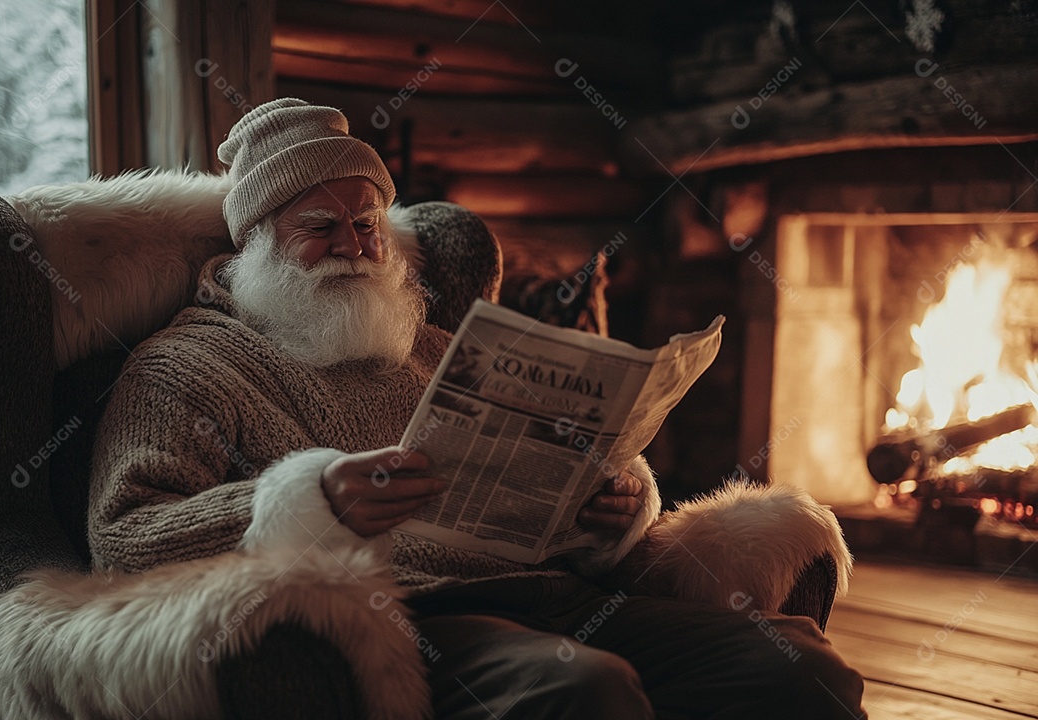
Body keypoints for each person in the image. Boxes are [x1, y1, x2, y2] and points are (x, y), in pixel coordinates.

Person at [87, 98, 866, 719]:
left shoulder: (428, 342)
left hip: (563, 593)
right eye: (320, 229)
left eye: (367, 225)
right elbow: (125, 533)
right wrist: (310, 500)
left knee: (797, 667)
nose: (355, 246)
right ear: (253, 241)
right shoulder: (184, 366)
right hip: (417, 623)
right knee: (584, 692)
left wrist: (612, 505)